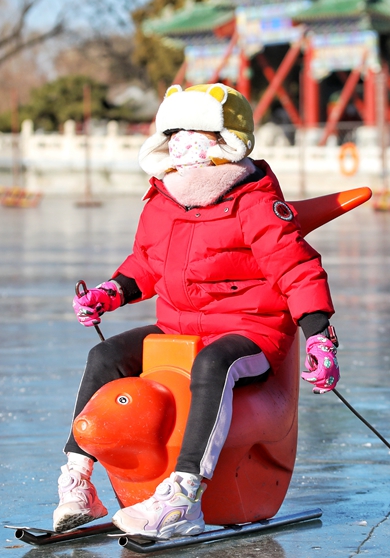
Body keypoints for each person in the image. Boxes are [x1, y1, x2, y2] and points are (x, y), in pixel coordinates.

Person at [53, 83, 341, 539]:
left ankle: (184, 494)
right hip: (178, 328)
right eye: (178, 134)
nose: (186, 145)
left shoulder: (254, 199)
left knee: (213, 364)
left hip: (251, 330)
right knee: (104, 358)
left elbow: (296, 268)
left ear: (225, 140)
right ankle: (78, 481)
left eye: (198, 134)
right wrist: (110, 292)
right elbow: (146, 263)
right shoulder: (163, 198)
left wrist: (320, 336)